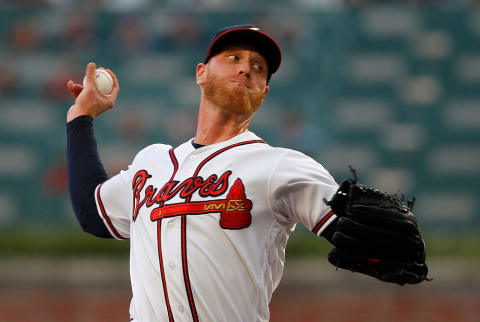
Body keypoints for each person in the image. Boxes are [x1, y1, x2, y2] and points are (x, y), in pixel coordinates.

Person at [66, 25, 427, 322]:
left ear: (263, 92)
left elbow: (354, 229)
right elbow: (91, 212)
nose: (246, 68)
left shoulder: (279, 166)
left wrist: (379, 245)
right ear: (201, 73)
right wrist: (80, 119)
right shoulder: (153, 162)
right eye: (233, 58)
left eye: (258, 67)